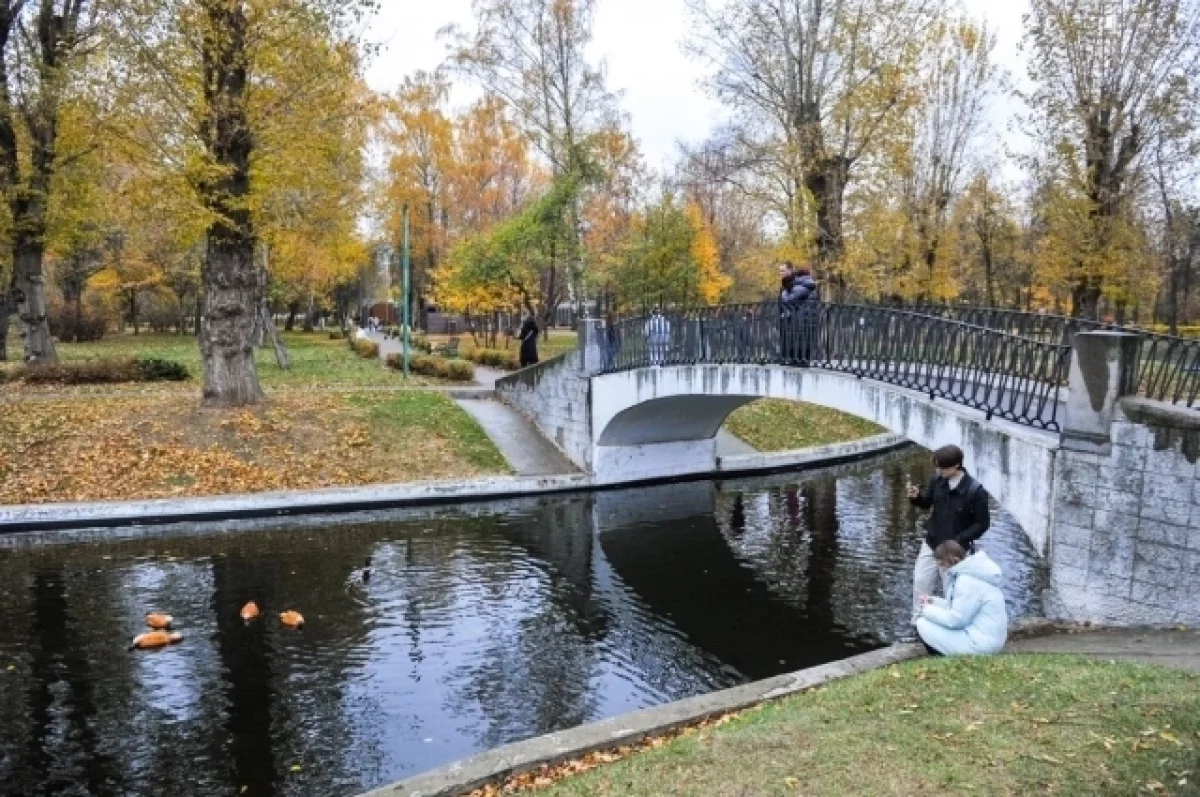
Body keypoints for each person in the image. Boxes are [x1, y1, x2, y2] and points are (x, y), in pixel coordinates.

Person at [906, 444, 990, 624]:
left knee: (951, 590)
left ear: (956, 466)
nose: (938, 471)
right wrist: (916, 497)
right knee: (921, 582)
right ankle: (918, 621)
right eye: (937, 467)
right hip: (932, 542)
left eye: (942, 468)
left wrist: (959, 540)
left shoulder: (975, 491)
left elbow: (982, 524)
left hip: (954, 551)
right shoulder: (937, 480)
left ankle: (950, 624)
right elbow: (927, 502)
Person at [915, 540, 1008, 656]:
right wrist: (932, 601)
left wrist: (926, 610)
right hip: (989, 639)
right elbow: (959, 608)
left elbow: (956, 620)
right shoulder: (974, 573)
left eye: (942, 564)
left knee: (922, 623)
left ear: (953, 561)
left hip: (981, 644)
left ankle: (942, 657)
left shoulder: (966, 582)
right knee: (929, 619)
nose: (941, 568)